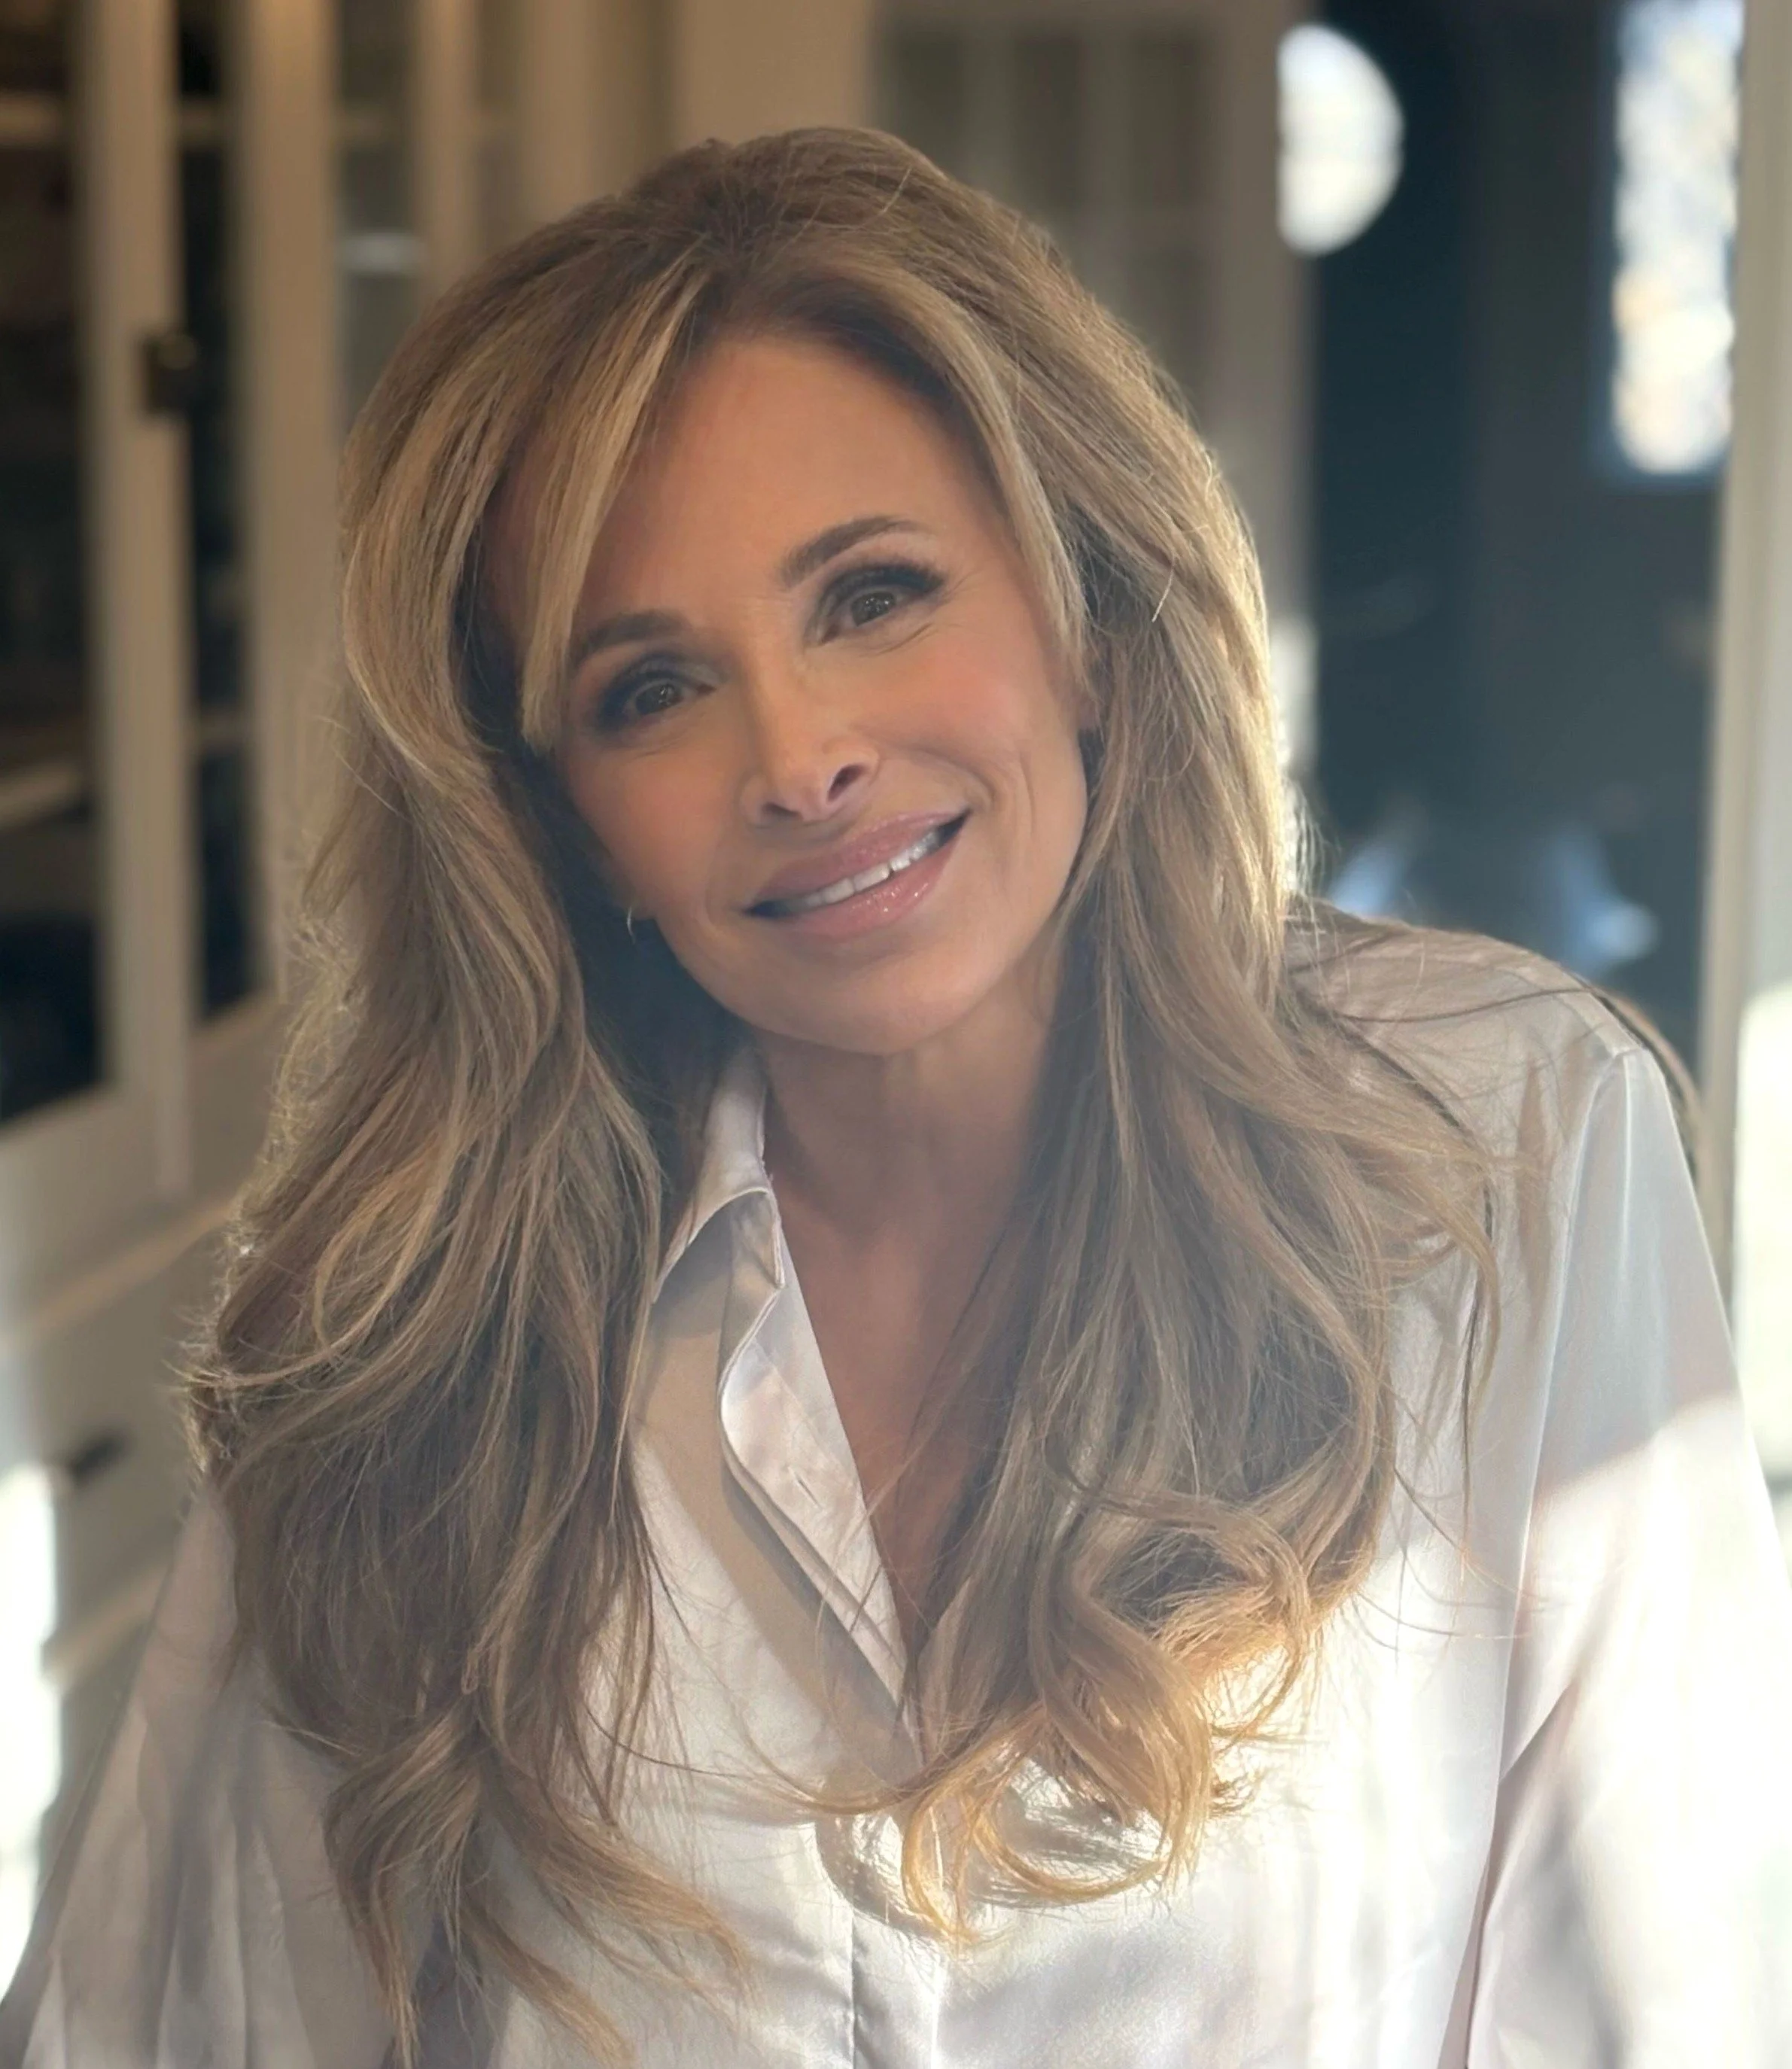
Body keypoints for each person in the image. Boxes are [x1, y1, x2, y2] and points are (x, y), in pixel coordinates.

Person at [5, 127, 1790, 2069]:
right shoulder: (411, 1326)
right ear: (563, 823)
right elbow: (172, 2017)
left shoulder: (1505, 1147)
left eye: (872, 595)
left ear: (1089, 620)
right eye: (649, 689)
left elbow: (1663, 1996)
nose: (799, 756)